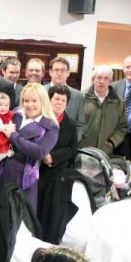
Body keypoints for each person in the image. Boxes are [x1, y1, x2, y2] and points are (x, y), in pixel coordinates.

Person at [0, 83, 59, 213]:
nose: (29, 104)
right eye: (26, 100)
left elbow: (39, 152)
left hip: (22, 180)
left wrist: (13, 136)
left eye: (34, 100)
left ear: (43, 101)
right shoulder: (15, 115)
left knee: (15, 223)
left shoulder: (50, 126)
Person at [37, 85, 79, 216]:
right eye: (56, 99)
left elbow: (73, 149)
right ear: (49, 100)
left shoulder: (71, 124)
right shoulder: (39, 119)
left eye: (63, 100)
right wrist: (43, 155)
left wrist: (53, 157)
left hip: (58, 171)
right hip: (37, 170)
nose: (59, 103)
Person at [79, 66, 128, 156]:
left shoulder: (119, 102)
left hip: (106, 151)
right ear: (93, 80)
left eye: (106, 78)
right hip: (83, 149)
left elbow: (122, 126)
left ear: (110, 82)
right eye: (99, 78)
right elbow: (75, 122)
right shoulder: (81, 97)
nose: (101, 81)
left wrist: (113, 142)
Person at [44, 57, 85, 141]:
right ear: (50, 72)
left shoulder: (78, 96)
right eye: (56, 70)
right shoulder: (40, 91)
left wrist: (74, 141)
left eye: (62, 70)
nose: (59, 73)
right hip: (42, 142)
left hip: (67, 146)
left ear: (68, 73)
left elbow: (80, 124)